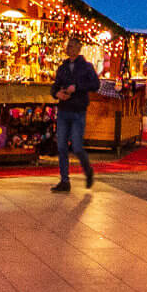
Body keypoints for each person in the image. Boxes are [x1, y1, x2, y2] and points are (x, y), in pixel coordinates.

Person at [50, 37, 100, 193]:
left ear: (78, 49)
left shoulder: (86, 67)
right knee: (62, 146)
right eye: (67, 46)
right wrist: (57, 93)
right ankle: (64, 180)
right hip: (64, 109)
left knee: (77, 146)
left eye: (71, 46)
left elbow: (96, 85)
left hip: (78, 110)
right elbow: (55, 86)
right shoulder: (63, 67)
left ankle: (88, 171)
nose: (68, 48)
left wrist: (76, 87)